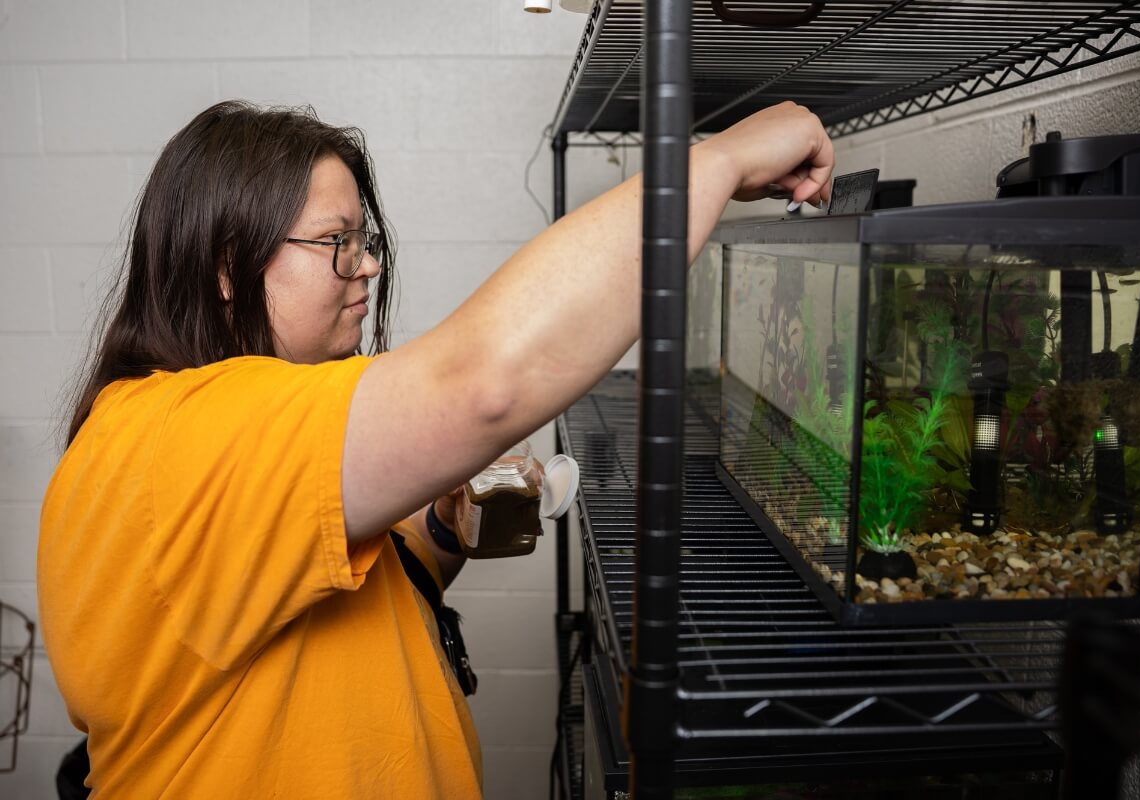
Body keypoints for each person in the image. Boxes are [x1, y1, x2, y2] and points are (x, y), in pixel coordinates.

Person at [37, 98, 834, 798]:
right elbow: (487, 383)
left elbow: (332, 608)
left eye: (366, 237)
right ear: (224, 268)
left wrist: (443, 532)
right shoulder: (180, 433)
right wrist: (719, 160)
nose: (369, 265)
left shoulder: (224, 420)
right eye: (336, 242)